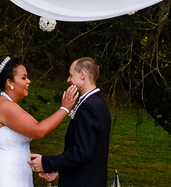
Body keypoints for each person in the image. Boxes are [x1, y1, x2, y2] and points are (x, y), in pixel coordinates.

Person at [0, 55, 77, 187]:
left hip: (14, 176)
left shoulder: (8, 105)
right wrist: (65, 108)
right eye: (23, 77)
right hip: (2, 177)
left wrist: (46, 165)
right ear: (9, 82)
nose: (29, 81)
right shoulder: (3, 106)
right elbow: (40, 131)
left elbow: (14, 147)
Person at [28, 57, 112, 187]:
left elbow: (81, 152)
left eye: (71, 75)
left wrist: (46, 163)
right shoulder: (97, 103)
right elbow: (88, 149)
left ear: (82, 75)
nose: (68, 80)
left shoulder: (90, 106)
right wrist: (59, 170)